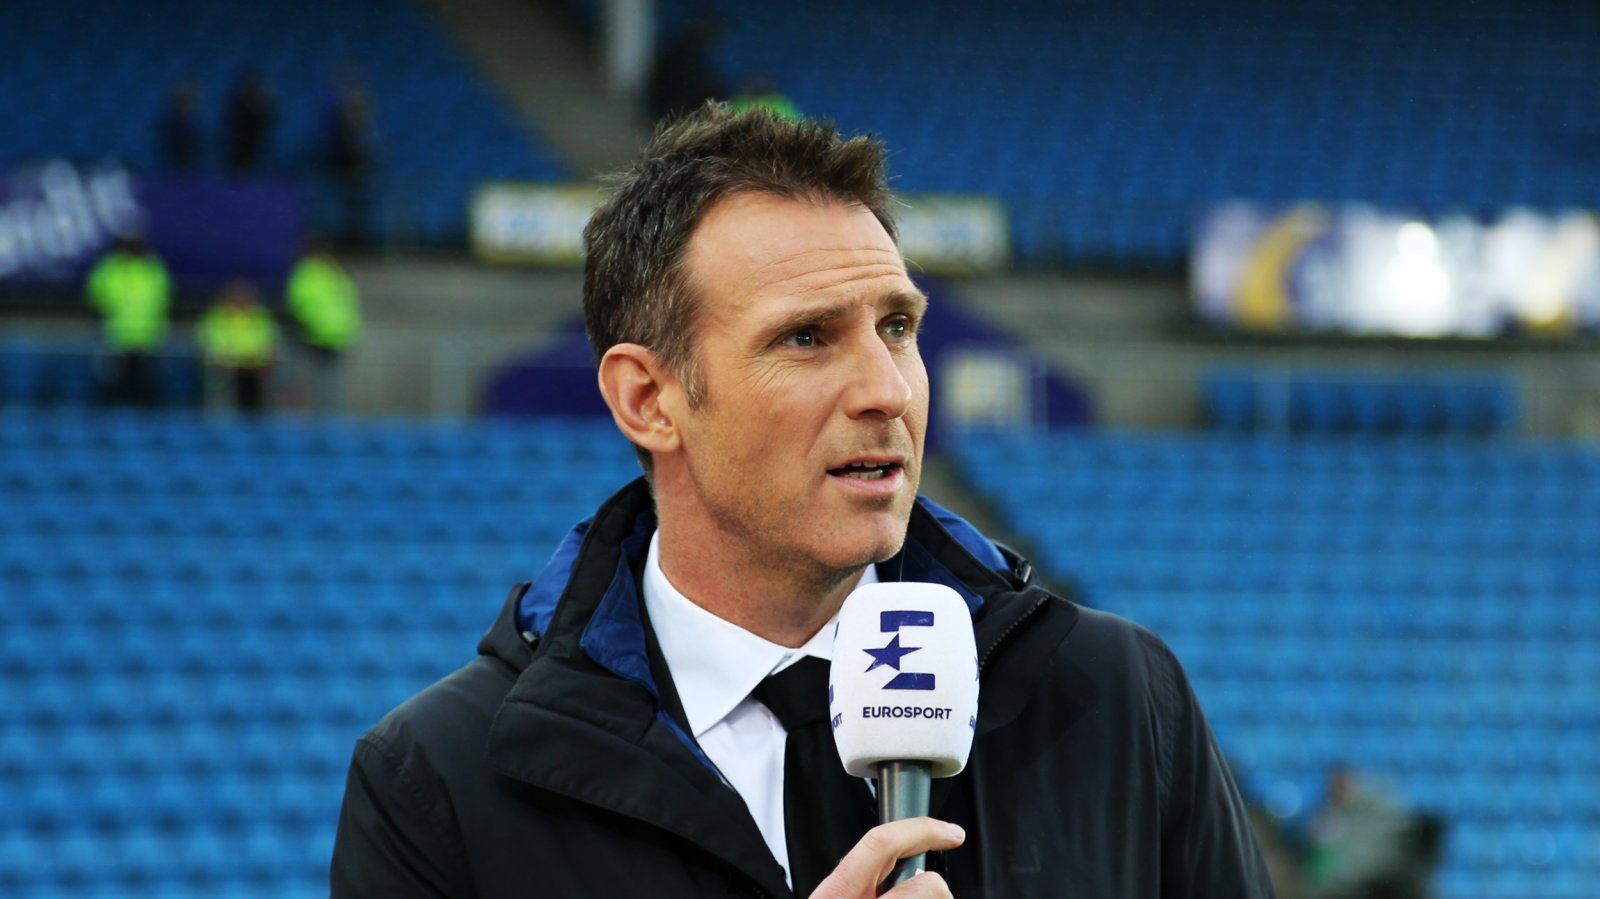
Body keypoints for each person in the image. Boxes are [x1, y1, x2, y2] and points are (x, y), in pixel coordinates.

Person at [331, 104, 1275, 898]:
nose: (889, 391)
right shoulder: (439, 782)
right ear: (648, 398)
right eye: (808, 338)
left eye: (896, 327)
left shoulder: (1117, 697)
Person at [86, 234, 171, 408]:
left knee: (147, 385)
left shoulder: (152, 268)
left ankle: (149, 418)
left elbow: (163, 300)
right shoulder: (109, 268)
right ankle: (108, 418)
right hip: (115, 338)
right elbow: (95, 299)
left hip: (147, 339)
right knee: (112, 384)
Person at [285, 241, 362, 412]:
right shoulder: (335, 273)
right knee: (326, 384)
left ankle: (313, 418)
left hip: (317, 335)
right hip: (333, 335)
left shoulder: (308, 273)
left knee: (312, 383)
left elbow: (297, 302)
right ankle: (325, 417)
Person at [197, 279, 278, 414]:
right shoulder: (217, 317)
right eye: (237, 296)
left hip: (255, 370)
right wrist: (226, 361)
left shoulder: (260, 316)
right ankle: (219, 420)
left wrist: (263, 360)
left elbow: (270, 341)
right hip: (225, 370)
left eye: (245, 296)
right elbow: (210, 343)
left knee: (260, 397)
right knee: (219, 387)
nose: (241, 300)